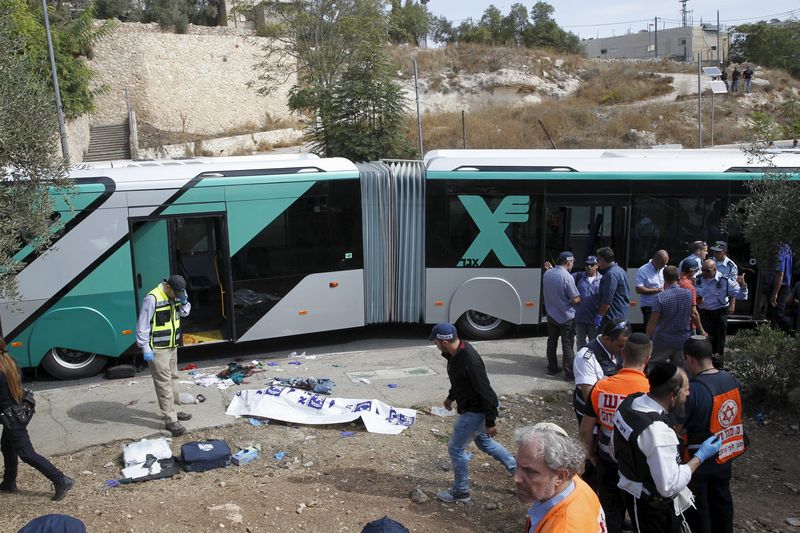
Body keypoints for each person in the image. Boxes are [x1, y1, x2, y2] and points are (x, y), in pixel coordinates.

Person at [613, 363, 722, 532]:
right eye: (686, 389)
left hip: (632, 489)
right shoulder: (658, 433)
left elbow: (615, 447)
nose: (688, 393)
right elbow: (668, 486)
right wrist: (700, 457)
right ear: (673, 395)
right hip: (651, 508)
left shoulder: (630, 402)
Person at [430, 323, 516, 503]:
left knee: (455, 448)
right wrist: (450, 398)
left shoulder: (469, 360)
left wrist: (490, 421)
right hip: (474, 407)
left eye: (436, 340)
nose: (435, 343)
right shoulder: (454, 354)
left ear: (443, 341)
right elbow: (460, 381)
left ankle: (461, 492)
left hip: (477, 410)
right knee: (485, 443)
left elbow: (485, 391)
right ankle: (517, 470)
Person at [580, 332, 651, 533]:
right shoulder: (651, 391)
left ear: (622, 355)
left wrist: (591, 456)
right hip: (638, 464)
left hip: (606, 459)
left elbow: (586, 429)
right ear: (647, 359)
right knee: (639, 510)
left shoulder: (601, 387)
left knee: (610, 509)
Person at [678, 336, 747, 533]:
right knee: (722, 501)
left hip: (699, 459)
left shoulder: (693, 390)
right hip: (725, 454)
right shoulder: (731, 380)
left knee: (698, 509)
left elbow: (677, 427)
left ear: (689, 359)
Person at [0, 339, 75, 501]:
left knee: (26, 453)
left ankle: (61, 480)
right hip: (21, 410)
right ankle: (9, 482)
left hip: (12, 418)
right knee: (7, 446)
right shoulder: (9, 361)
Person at [513, 423, 606, 533]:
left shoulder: (564, 528)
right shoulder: (574, 483)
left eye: (530, 472)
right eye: (517, 465)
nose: (516, 478)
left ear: (560, 477)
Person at [136, 274, 193, 437]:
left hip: (172, 346)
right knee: (163, 383)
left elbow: (184, 314)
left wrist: (184, 302)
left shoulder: (177, 295)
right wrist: (145, 346)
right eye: (176, 293)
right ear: (168, 287)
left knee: (173, 378)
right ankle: (170, 419)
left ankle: (177, 410)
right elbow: (142, 324)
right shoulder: (152, 298)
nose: (178, 296)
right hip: (158, 349)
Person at [572, 318, 631, 425]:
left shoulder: (615, 349)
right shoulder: (586, 358)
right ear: (607, 339)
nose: (623, 351)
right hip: (593, 418)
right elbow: (590, 398)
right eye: (620, 346)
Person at [542, 252, 581, 380]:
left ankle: (552, 368)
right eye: (573, 262)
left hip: (551, 315)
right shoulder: (567, 277)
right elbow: (575, 299)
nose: (573, 265)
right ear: (569, 262)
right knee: (567, 344)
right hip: (566, 317)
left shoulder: (547, 273)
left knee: (551, 342)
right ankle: (569, 373)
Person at [646, 266, 693, 368]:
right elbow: (692, 314)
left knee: (654, 368)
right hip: (682, 339)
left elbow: (653, 321)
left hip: (662, 340)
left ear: (664, 278)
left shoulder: (660, 297)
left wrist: (647, 338)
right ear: (678, 277)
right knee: (680, 370)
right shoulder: (688, 294)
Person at [696, 260, 740, 363]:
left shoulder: (724, 279)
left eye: (707, 270)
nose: (704, 272)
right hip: (703, 314)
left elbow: (735, 291)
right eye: (702, 270)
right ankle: (703, 364)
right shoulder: (698, 279)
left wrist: (732, 304)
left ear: (714, 270)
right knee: (702, 342)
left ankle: (718, 366)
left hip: (718, 313)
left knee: (719, 342)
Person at [594, 247, 631, 329]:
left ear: (603, 259)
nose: (597, 262)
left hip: (611, 317)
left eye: (598, 259)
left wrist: (599, 315)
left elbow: (607, 299)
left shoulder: (610, 274)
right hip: (620, 315)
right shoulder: (620, 270)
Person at [573, 255, 603, 349]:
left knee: (594, 343)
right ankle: (580, 361)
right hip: (580, 318)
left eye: (592, 264)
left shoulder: (603, 279)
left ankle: (592, 362)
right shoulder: (578, 276)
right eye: (587, 264)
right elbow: (564, 279)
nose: (589, 266)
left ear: (597, 265)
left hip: (594, 319)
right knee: (580, 342)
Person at [635, 250, 669, 327]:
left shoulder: (664, 268)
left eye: (665, 263)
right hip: (650, 308)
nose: (664, 266)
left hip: (664, 306)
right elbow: (639, 289)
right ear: (655, 260)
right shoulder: (643, 270)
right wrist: (658, 290)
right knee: (651, 332)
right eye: (662, 264)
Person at [767, 244, 793, 331]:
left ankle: (791, 328)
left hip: (779, 286)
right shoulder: (787, 248)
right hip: (783, 286)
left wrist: (775, 293)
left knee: (777, 316)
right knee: (775, 315)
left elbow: (780, 273)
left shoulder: (780, 250)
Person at [679, 261, 706, 336]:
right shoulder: (689, 286)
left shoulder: (674, 281)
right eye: (696, 271)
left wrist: (697, 299)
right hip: (688, 325)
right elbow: (694, 313)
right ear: (692, 270)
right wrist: (702, 331)